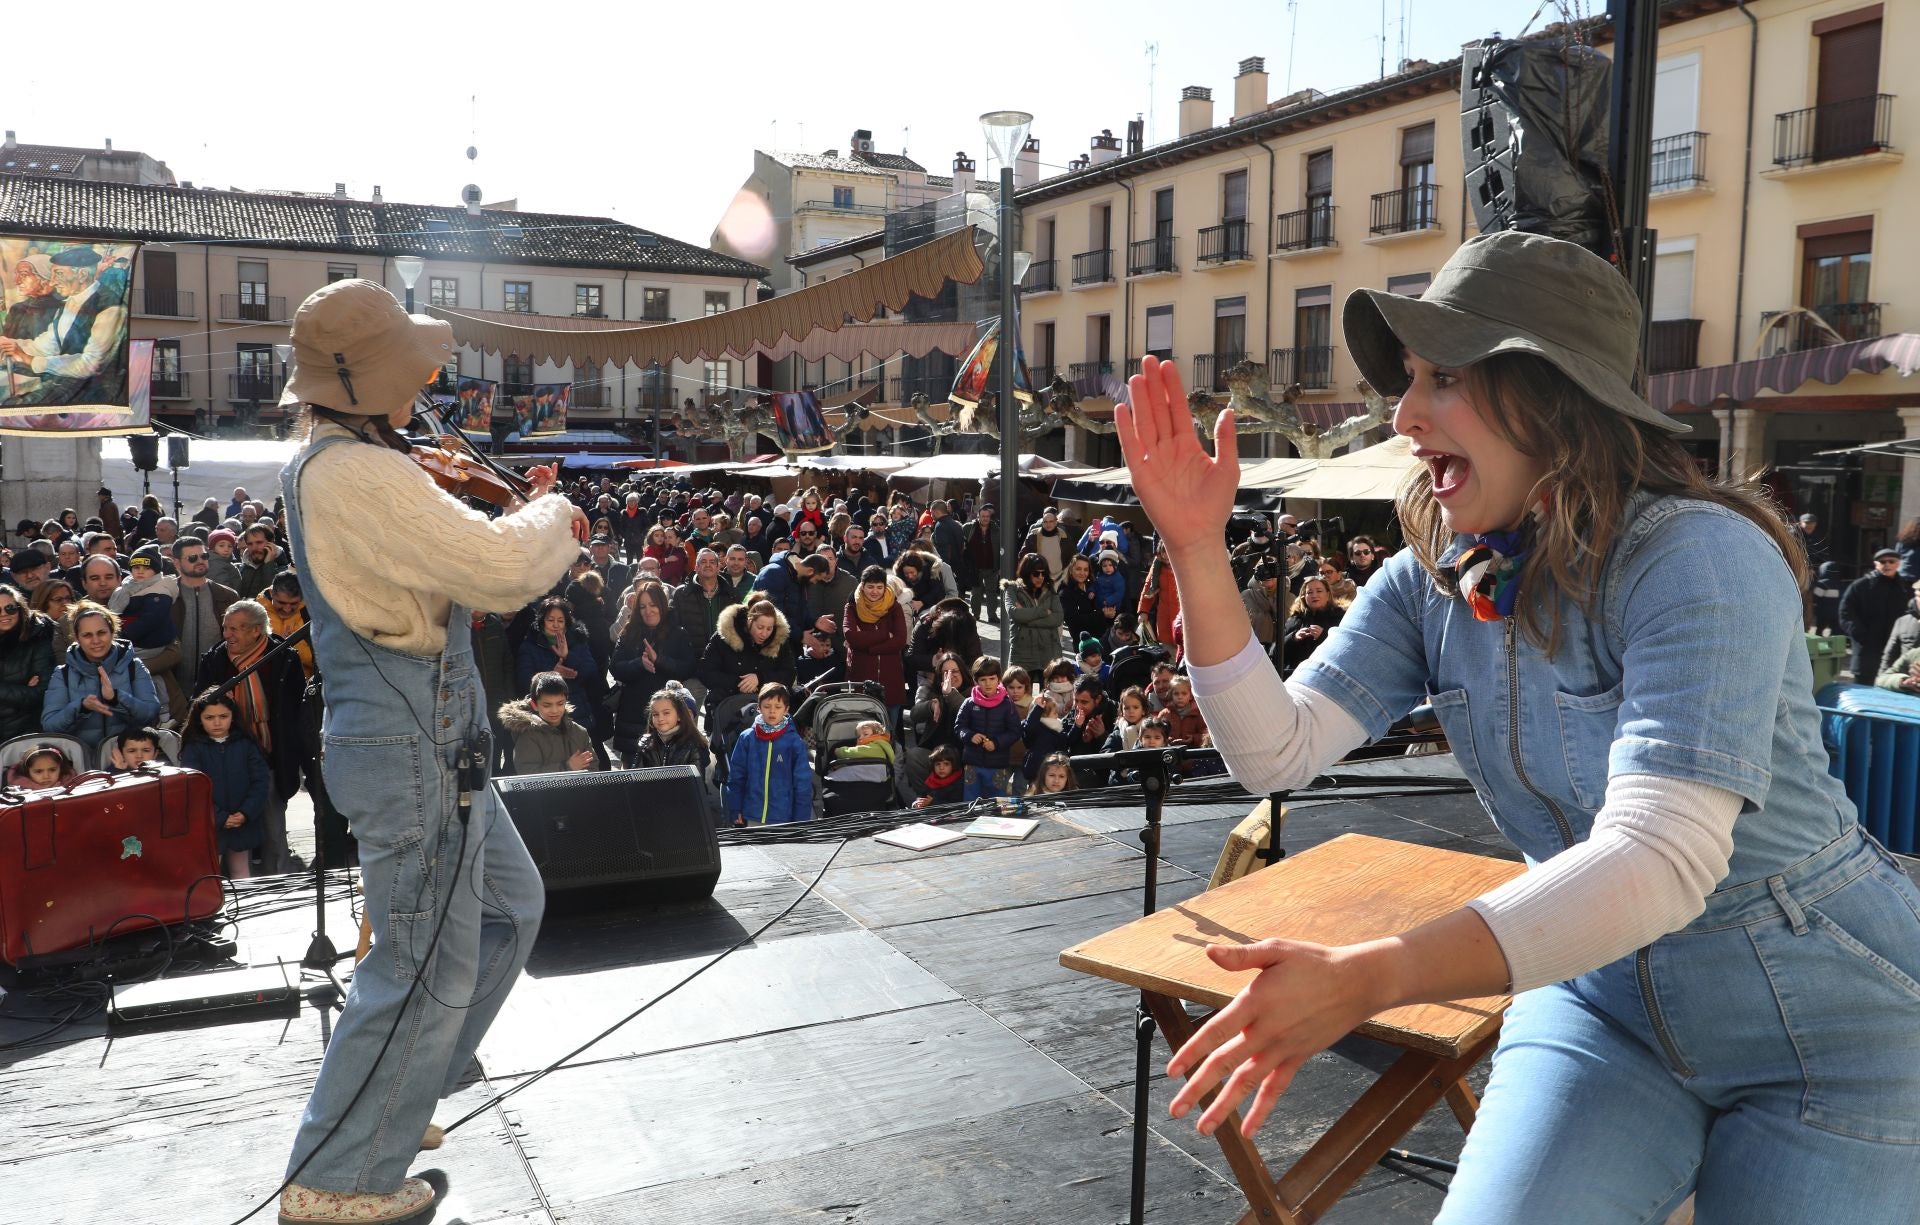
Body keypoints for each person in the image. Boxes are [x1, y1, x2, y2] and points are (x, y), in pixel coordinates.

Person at [1118, 231, 1920, 1222]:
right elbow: (1270, 751)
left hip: (1831, 1030)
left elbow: (1661, 859)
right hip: (1602, 1007)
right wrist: (1196, 549)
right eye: (1408, 379)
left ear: (1554, 396)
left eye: (1444, 376)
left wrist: (1373, 977)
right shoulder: (1435, 579)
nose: (1405, 415)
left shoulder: (1703, 557)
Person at [274, 277, 584, 1223]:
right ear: (376, 380)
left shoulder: (344, 458)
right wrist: (549, 514)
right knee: (417, 965)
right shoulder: (358, 472)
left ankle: (402, 1099)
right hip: (415, 745)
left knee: (507, 910)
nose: (425, 385)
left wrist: (496, 512)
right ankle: (336, 1178)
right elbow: (496, 566)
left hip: (432, 741)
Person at [194, 599, 308, 875]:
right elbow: (199, 705)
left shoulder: (283, 658)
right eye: (226, 628)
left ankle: (278, 884)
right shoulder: (215, 661)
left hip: (271, 756)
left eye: (236, 629)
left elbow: (296, 709)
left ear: (257, 631)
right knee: (231, 834)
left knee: (273, 830)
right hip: (229, 758)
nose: (227, 635)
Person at [42, 602, 162, 752]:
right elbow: (50, 724)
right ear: (77, 639)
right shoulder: (62, 673)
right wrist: (81, 707)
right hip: (84, 760)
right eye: (87, 635)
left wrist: (116, 698)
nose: (96, 640)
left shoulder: (134, 666)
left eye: (101, 633)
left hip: (128, 759)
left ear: (112, 632)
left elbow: (150, 713)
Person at [180, 690, 272, 881]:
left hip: (242, 821)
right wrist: (219, 816)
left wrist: (246, 813)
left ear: (233, 716)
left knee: (241, 871)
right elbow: (193, 789)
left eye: (223, 716)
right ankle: (212, 910)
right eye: (209, 717)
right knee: (210, 874)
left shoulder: (246, 744)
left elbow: (261, 782)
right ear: (199, 719)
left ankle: (247, 909)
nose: (217, 722)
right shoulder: (193, 749)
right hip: (210, 824)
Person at [608, 582, 698, 762]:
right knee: (633, 775)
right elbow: (615, 668)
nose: (648, 611)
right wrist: (638, 664)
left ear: (662, 605)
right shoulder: (629, 632)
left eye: (653, 605)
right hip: (633, 714)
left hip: (668, 717)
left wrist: (660, 660)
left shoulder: (678, 633)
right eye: (642, 606)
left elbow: (687, 668)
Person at [724, 681, 812, 826]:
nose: (772, 711)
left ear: (786, 710)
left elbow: (802, 785)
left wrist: (801, 820)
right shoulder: (747, 738)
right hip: (751, 815)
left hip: (784, 818)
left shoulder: (794, 742)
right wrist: (736, 808)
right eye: (766, 706)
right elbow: (736, 778)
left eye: (778, 707)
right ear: (758, 708)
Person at [498, 671, 598, 774]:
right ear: (534, 705)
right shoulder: (528, 736)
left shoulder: (579, 732)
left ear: (566, 701)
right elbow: (528, 774)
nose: (554, 710)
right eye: (547, 705)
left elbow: (593, 768)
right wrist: (567, 767)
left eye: (560, 704)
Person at [953, 654, 1022, 801]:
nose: (988, 683)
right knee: (971, 802)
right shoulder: (969, 704)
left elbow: (1015, 731)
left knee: (997, 803)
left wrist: (996, 743)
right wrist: (970, 736)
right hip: (972, 764)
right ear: (975, 681)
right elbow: (959, 727)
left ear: (999, 679)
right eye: (983, 680)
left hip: (998, 765)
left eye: (992, 679)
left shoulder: (1007, 705)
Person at [1840, 548, 1910, 679]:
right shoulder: (1861, 586)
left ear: (1898, 563)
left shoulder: (1905, 587)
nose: (1887, 565)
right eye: (1883, 562)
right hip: (1867, 650)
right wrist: (1861, 635)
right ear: (1876, 564)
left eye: (1891, 561)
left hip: (1895, 650)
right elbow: (1846, 613)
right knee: (1864, 690)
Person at [0, 584, 56, 741]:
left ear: (20, 608)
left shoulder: (37, 637)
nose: (4, 614)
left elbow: (41, 692)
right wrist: (21, 688)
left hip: (26, 732)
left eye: (10, 608)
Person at [628, 681, 710, 776]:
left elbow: (695, 784)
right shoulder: (646, 742)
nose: (661, 718)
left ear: (680, 715)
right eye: (655, 714)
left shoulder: (693, 745)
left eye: (666, 713)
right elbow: (636, 778)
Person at [1278, 576, 1345, 676]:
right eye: (1309, 592)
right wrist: (1293, 638)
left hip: (1326, 675)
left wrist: (1323, 636)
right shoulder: (1295, 619)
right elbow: (1274, 653)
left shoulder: (1340, 618)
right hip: (1294, 676)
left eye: (1319, 591)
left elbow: (1345, 649)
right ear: (1303, 597)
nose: (1314, 595)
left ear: (1328, 594)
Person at [910, 743, 965, 808]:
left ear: (953, 765)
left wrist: (933, 803)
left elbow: (957, 805)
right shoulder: (931, 780)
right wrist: (917, 804)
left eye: (946, 764)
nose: (941, 768)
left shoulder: (959, 782)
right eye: (938, 764)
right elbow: (922, 797)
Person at [8, 742, 76, 789]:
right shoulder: (18, 791)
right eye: (38, 771)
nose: (46, 776)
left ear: (61, 768)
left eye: (52, 770)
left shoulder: (73, 785)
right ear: (27, 772)